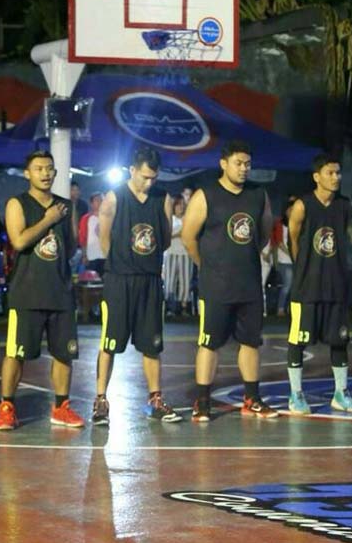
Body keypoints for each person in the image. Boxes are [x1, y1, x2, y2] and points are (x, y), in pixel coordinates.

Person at [181, 140, 275, 422]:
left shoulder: (258, 195)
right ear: (223, 164)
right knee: (209, 343)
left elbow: (264, 234)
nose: (244, 168)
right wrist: (207, 265)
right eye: (238, 163)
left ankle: (252, 398)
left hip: (249, 284)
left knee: (251, 342)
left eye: (248, 164)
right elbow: (188, 238)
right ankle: (203, 401)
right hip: (216, 285)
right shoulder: (206, 195)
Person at [0, 150, 85, 430]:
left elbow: (71, 245)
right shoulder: (17, 203)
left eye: (49, 168)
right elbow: (19, 241)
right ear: (27, 173)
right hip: (27, 293)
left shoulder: (65, 205)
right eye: (39, 169)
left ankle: (61, 407)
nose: (45, 173)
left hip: (60, 292)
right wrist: (48, 220)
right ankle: (6, 407)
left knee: (64, 353)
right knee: (16, 353)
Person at [91, 148, 181, 426]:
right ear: (132, 170)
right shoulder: (114, 198)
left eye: (153, 177)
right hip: (120, 280)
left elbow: (165, 239)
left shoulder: (163, 198)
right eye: (144, 177)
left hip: (150, 280)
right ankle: (100, 400)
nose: (149, 182)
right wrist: (121, 263)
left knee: (152, 345)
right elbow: (104, 239)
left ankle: (155, 400)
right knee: (109, 343)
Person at [284, 153, 352, 415]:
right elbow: (293, 239)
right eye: (330, 173)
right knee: (298, 340)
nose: (336, 177)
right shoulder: (302, 206)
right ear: (317, 176)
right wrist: (304, 269)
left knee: (340, 341)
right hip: (307, 286)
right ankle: (296, 395)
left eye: (338, 172)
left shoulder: (345, 205)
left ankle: (341, 393)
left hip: (336, 284)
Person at [163, 193, 193, 316]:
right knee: (170, 280)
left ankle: (184, 306)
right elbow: (166, 235)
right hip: (171, 252)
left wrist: (181, 233)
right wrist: (178, 233)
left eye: (182, 205)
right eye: (178, 205)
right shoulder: (170, 219)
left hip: (185, 254)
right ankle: (170, 306)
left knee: (185, 280)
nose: (180, 207)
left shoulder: (187, 219)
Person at [80, 193, 105, 275]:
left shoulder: (110, 218)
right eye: (97, 200)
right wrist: (84, 255)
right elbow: (83, 238)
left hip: (106, 257)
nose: (100, 202)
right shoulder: (86, 219)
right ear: (91, 204)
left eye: (102, 200)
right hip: (91, 257)